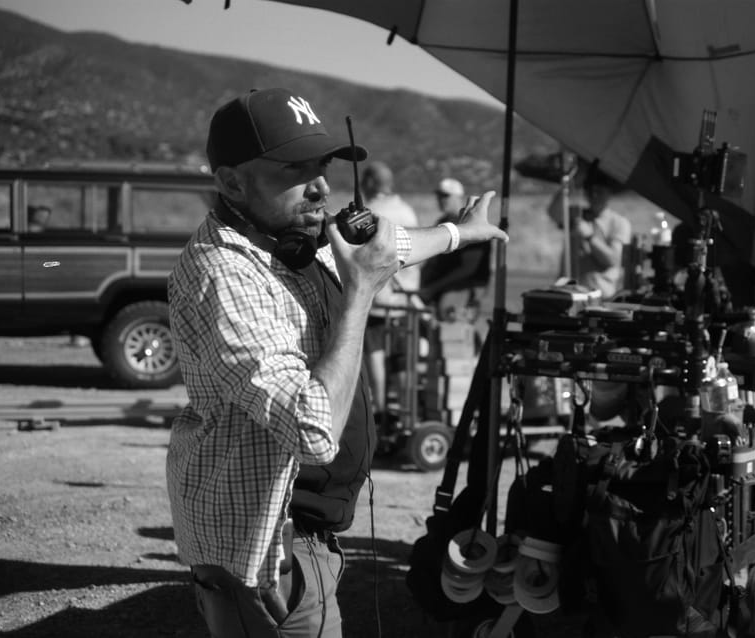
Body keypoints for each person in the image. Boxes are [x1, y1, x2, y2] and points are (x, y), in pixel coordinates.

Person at [165, 87, 506, 638]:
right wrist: (360, 294)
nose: (321, 185)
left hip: (303, 538)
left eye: (321, 165)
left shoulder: (292, 234)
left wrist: (458, 233)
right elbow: (313, 432)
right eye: (295, 170)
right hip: (266, 550)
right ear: (231, 182)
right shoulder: (223, 274)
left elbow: (385, 243)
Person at [359, 161, 424, 417]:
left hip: (378, 297)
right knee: (402, 357)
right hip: (406, 298)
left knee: (375, 351)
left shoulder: (370, 212)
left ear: (370, 184)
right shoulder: (407, 211)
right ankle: (407, 413)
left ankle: (381, 411)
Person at [418, 177, 492, 329]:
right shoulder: (442, 221)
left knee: (449, 321)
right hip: (442, 285)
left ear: (458, 197)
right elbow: (432, 256)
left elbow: (468, 268)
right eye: (439, 196)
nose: (441, 200)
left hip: (463, 287)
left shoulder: (471, 223)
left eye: (446, 196)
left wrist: (434, 287)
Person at [546, 170, 631, 299]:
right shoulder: (576, 214)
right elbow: (553, 212)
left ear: (609, 193)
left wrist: (590, 236)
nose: (594, 195)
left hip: (600, 294)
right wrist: (568, 184)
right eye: (591, 191)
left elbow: (613, 260)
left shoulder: (619, 223)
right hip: (568, 291)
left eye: (599, 191)